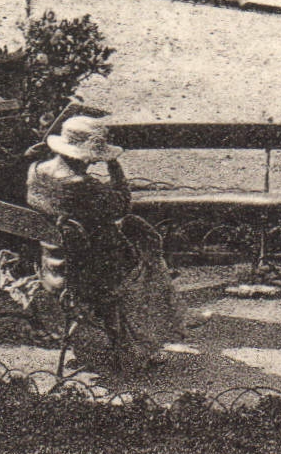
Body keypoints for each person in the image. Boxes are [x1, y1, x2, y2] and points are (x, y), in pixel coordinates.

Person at [26, 117, 185, 372]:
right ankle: (151, 336)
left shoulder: (35, 171)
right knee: (149, 253)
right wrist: (114, 165)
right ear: (88, 155)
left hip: (53, 264)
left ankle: (164, 323)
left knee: (137, 241)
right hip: (89, 275)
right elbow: (122, 203)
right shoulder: (81, 185)